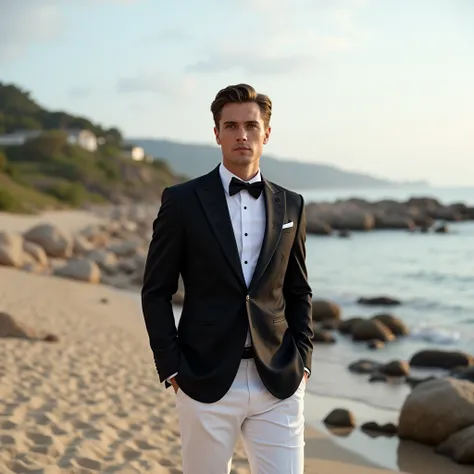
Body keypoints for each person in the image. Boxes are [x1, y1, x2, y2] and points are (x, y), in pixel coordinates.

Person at [141, 83, 313, 474]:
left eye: (251, 126)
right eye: (231, 126)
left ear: (266, 134)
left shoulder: (292, 204)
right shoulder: (182, 201)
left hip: (280, 379)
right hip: (204, 378)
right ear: (216, 133)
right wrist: (171, 367)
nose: (242, 135)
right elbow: (156, 291)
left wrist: (303, 360)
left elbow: (298, 289)